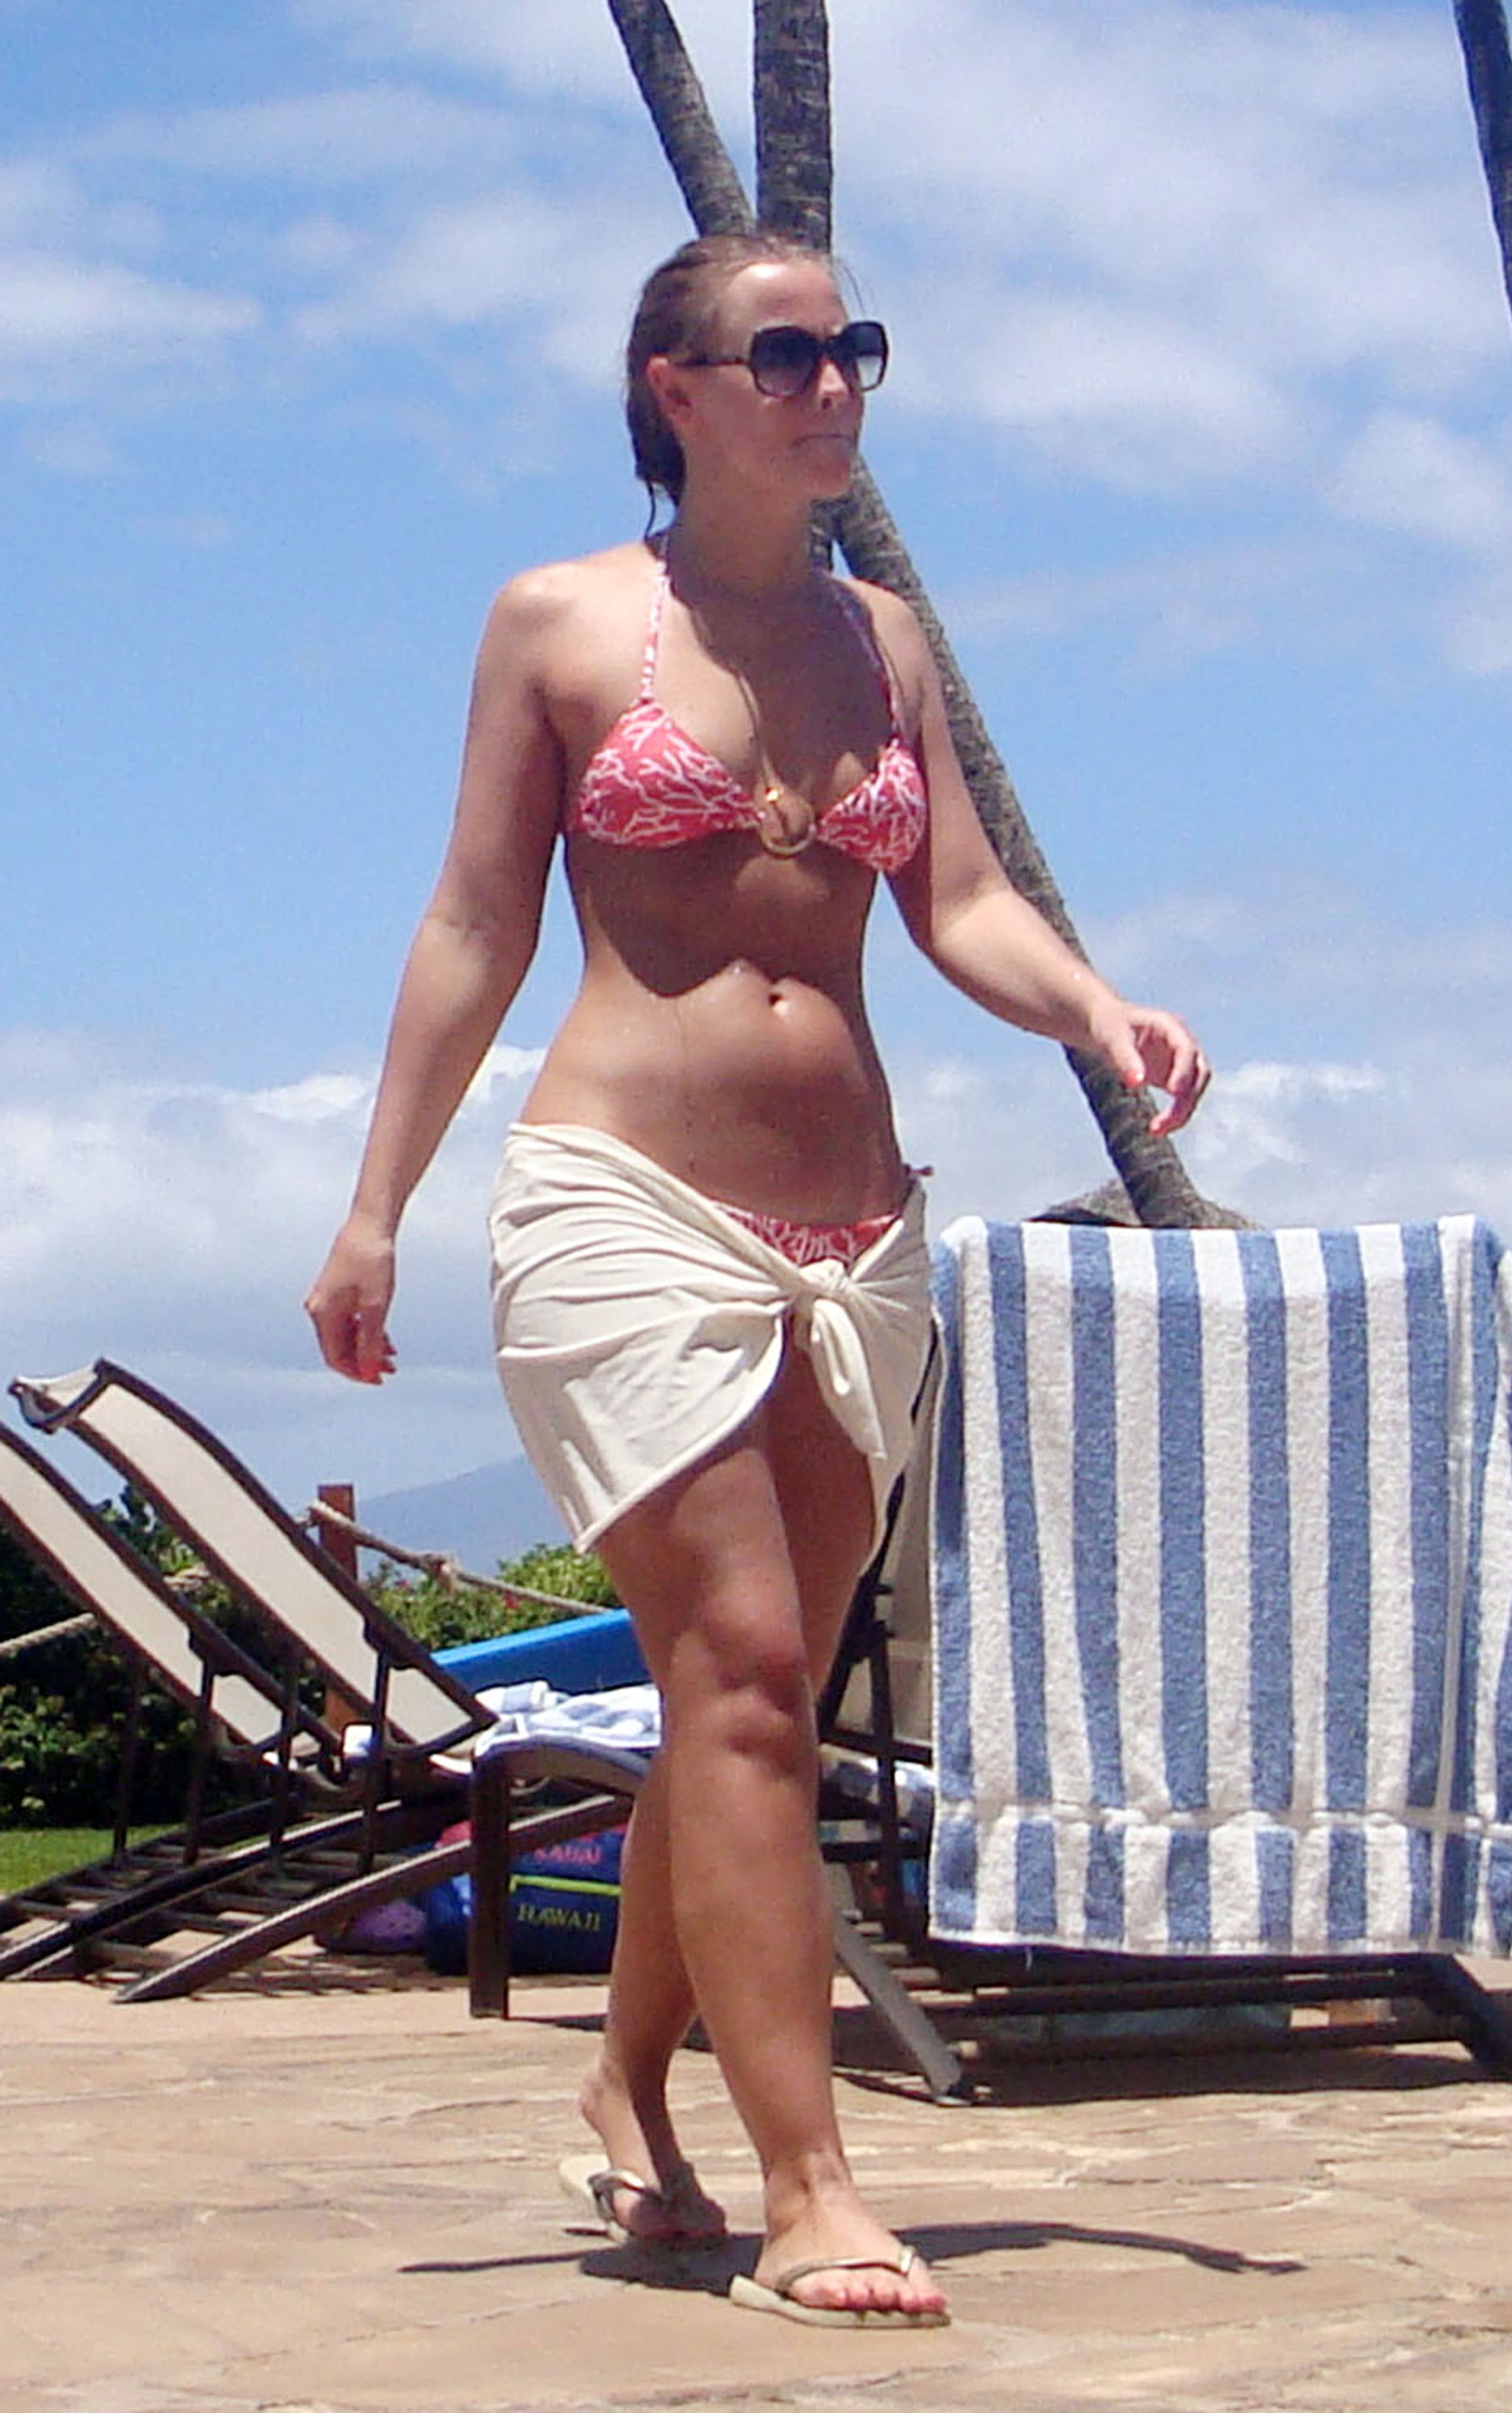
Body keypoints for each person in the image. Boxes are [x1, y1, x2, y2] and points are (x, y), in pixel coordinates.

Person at [305, 229, 1209, 2329]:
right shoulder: (561, 621)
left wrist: (1094, 1006)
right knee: (734, 1672)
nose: (833, 383)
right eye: (786, 352)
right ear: (677, 388)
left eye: (852, 347)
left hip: (854, 1232)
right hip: (625, 1208)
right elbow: (475, 925)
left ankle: (627, 2084)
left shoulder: (881, 637)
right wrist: (374, 1208)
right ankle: (813, 2182)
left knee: (758, 1709)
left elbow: (958, 900)